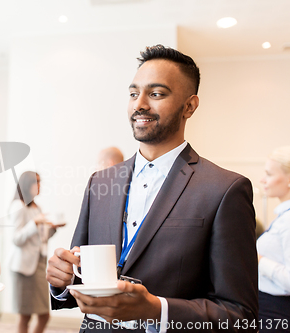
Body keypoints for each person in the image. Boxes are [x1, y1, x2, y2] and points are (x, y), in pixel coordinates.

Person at [46, 45, 258, 332]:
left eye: (156, 94)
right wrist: (63, 280)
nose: (139, 104)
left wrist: (158, 311)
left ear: (189, 106)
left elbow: (240, 315)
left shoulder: (225, 190)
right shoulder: (101, 182)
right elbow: (81, 276)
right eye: (134, 93)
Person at [9, 171, 62, 333]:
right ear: (27, 184)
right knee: (25, 316)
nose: (39, 186)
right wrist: (34, 223)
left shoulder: (36, 207)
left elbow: (40, 238)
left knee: (44, 315)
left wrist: (53, 229)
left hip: (39, 264)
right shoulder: (18, 206)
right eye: (36, 182)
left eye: (40, 182)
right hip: (24, 268)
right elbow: (17, 239)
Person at [257, 146, 290, 333]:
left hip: (277, 311)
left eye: (269, 174)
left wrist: (259, 260)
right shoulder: (283, 216)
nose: (263, 179)